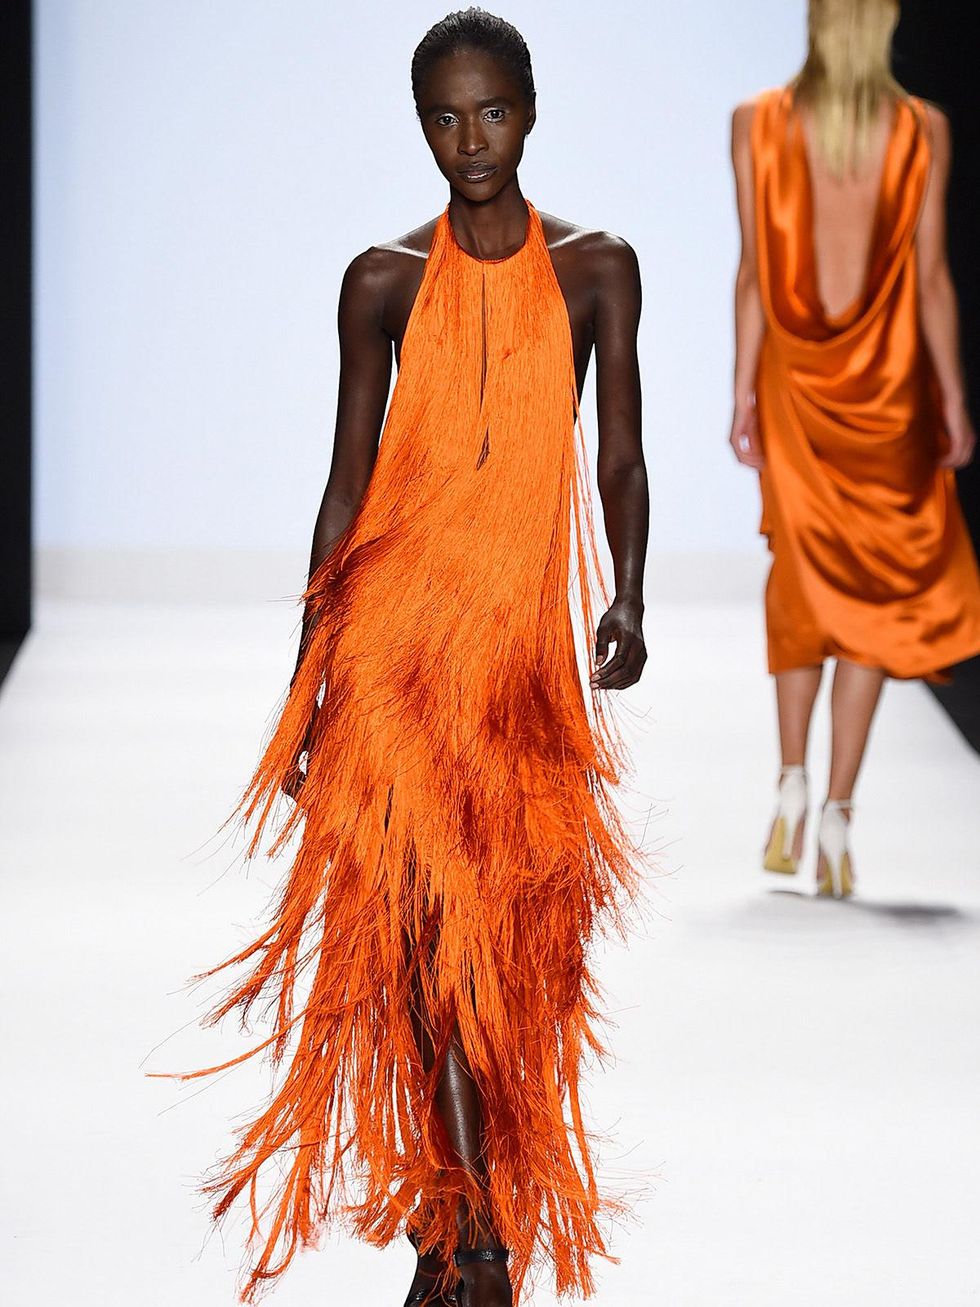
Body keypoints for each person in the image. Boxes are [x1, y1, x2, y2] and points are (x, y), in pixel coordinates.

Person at [171, 10, 648, 1307]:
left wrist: (633, 597)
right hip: (392, 654)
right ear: (420, 120)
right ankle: (473, 1220)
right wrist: (305, 690)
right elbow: (344, 493)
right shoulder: (379, 278)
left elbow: (618, 456)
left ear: (533, 111)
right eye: (443, 115)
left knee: (511, 944)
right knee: (433, 939)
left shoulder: (601, 267)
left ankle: (461, 1203)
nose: (469, 139)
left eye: (491, 111)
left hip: (519, 664)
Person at [729, 0, 980, 898]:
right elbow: (933, 276)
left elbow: (755, 269)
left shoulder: (757, 123)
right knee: (871, 598)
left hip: (796, 385)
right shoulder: (923, 129)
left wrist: (741, 390)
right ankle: (837, 815)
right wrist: (951, 397)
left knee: (801, 582)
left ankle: (791, 788)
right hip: (892, 395)